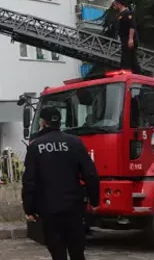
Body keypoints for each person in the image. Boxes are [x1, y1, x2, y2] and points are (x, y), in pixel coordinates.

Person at [22, 106, 100, 260]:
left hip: (48, 209)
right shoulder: (75, 143)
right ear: (59, 123)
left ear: (43, 123)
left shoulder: (35, 146)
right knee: (77, 251)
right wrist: (95, 200)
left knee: (57, 252)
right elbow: (90, 175)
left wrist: (29, 209)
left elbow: (29, 181)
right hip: (73, 207)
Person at [113, 0, 141, 74]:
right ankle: (136, 73)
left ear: (119, 4)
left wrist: (130, 39)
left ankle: (125, 72)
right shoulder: (120, 14)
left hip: (129, 39)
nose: (114, 6)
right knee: (131, 58)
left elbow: (132, 25)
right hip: (124, 39)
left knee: (127, 58)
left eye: (115, 4)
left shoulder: (127, 12)